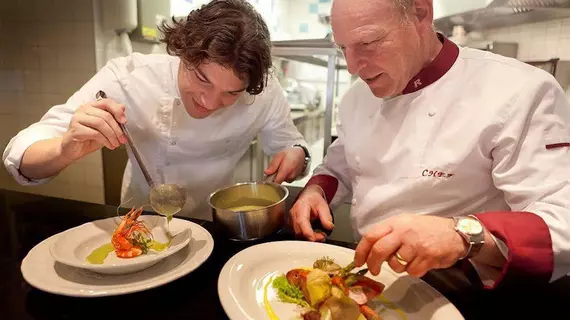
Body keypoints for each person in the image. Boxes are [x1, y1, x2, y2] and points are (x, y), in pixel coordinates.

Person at [290, 0, 570, 288]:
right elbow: (341, 165)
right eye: (343, 48)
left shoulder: (518, 91)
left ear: (421, 15)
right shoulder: (356, 98)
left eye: (368, 42)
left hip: (457, 285)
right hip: (367, 273)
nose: (352, 67)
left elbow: (563, 221)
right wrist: (316, 190)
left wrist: (461, 234)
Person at [2, 0, 311, 221]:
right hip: (140, 222)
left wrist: (297, 154)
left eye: (231, 93)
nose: (209, 102)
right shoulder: (129, 77)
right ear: (183, 51)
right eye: (201, 78)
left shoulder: (265, 91)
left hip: (215, 225)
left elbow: (290, 143)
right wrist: (64, 148)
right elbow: (20, 156)